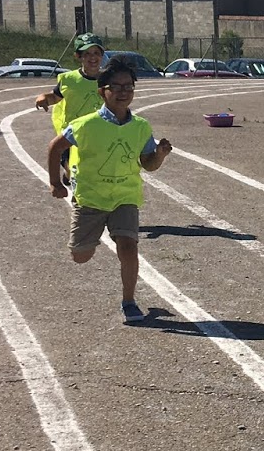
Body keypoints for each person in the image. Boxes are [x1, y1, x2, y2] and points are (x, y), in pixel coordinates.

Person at [46, 57, 173, 322]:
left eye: (128, 86)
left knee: (128, 247)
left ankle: (129, 302)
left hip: (125, 197)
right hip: (90, 198)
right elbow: (55, 147)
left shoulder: (141, 126)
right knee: (80, 256)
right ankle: (92, 236)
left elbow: (148, 164)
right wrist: (55, 182)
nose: (123, 92)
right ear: (102, 91)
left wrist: (159, 155)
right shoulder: (85, 125)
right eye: (116, 86)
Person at [35, 32, 107, 187]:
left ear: (102, 55)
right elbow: (55, 97)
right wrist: (43, 98)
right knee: (74, 171)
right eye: (87, 54)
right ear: (78, 56)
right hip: (73, 134)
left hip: (99, 133)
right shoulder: (69, 80)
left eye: (96, 53)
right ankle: (70, 176)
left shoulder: (108, 79)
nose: (92, 57)